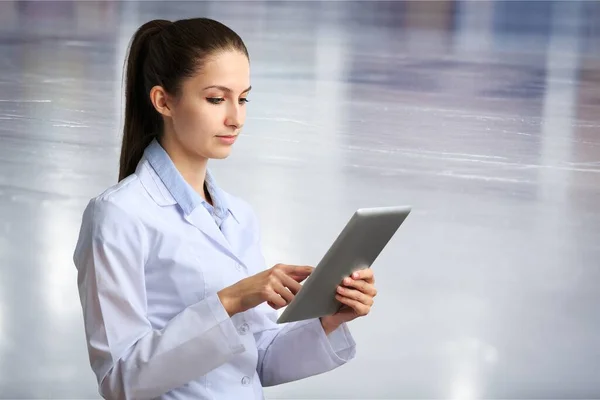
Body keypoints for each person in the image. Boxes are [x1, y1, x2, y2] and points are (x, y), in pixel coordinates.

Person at [73, 17, 378, 400]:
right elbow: (120, 381)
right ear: (163, 100)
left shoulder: (238, 216)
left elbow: (259, 361)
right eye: (216, 99)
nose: (236, 117)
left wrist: (331, 317)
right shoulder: (118, 215)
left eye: (243, 97)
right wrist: (232, 299)